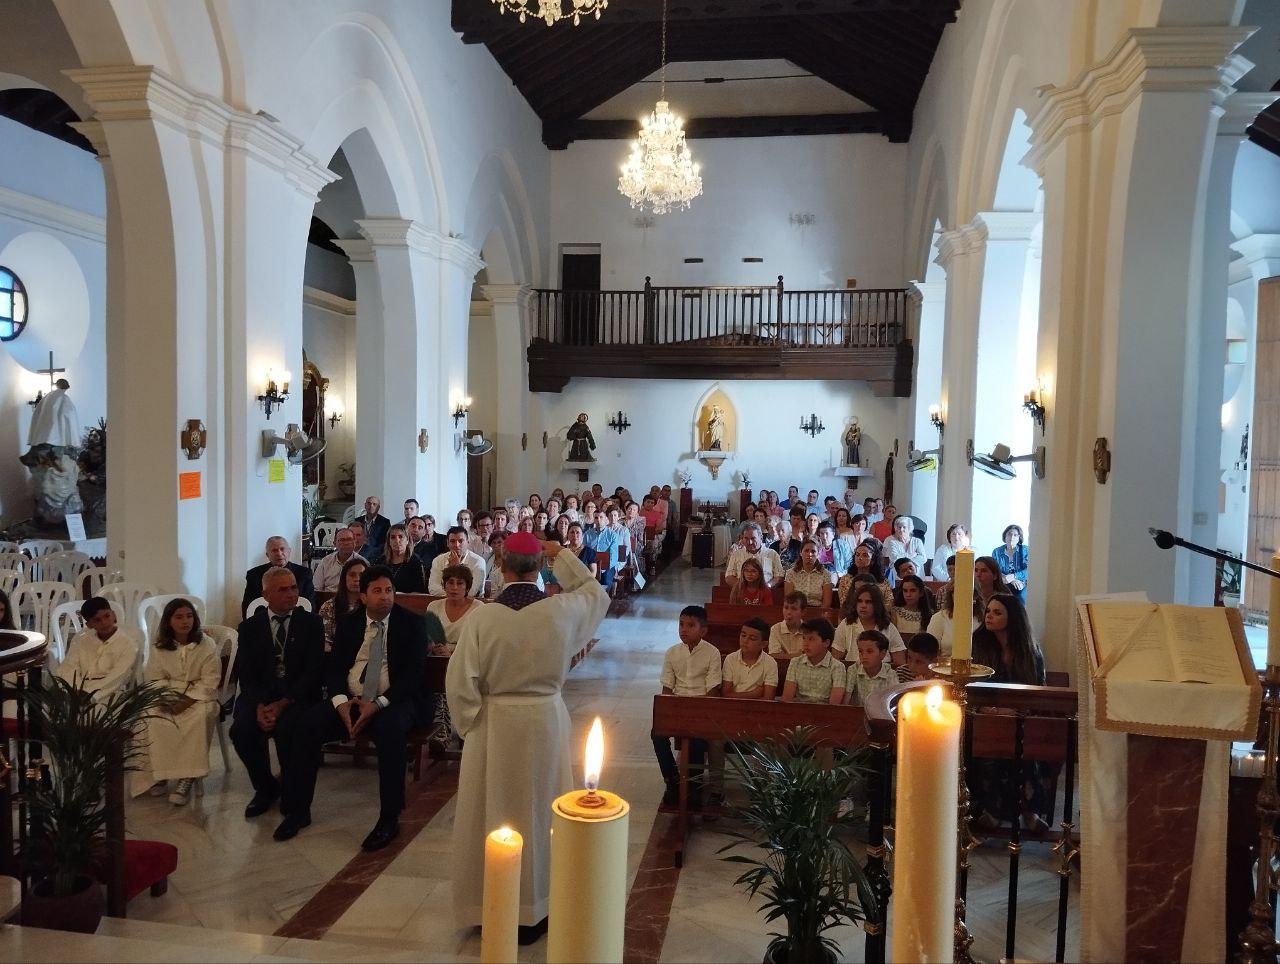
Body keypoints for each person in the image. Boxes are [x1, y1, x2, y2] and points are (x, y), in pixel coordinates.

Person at [447, 532, 610, 940]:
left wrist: (472, 726)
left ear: (500, 565)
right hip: (545, 718)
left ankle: (494, 905)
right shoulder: (562, 610)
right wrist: (563, 555)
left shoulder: (482, 616)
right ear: (540, 566)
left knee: (493, 809)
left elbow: (459, 681)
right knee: (543, 809)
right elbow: (596, 592)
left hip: (495, 723)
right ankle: (540, 905)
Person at [276, 566, 442, 850]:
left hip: (396, 701)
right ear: (363, 596)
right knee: (305, 725)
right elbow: (336, 669)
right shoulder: (350, 623)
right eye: (376, 591)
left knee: (390, 732)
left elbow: (413, 676)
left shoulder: (411, 623)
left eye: (388, 590)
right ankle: (298, 810)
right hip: (352, 701)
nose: (385, 597)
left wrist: (377, 704)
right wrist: (341, 703)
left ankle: (389, 818)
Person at [231, 566, 325, 819]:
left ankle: (293, 793)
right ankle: (266, 788)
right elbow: (246, 672)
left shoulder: (311, 623)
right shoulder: (250, 627)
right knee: (241, 730)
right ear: (266, 595)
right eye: (283, 589)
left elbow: (313, 671)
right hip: (260, 694)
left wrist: (284, 703)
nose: (291, 594)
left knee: (288, 730)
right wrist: (260, 705)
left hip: (297, 695)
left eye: (294, 587)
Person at [970, 593, 1048, 831]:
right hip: (987, 718)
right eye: (988, 612)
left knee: (1024, 753)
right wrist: (989, 709)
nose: (990, 616)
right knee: (990, 754)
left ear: (1012, 617)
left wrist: (1014, 710)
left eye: (997, 612)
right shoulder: (978, 643)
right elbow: (972, 684)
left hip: (1020, 718)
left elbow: (1038, 688)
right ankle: (992, 811)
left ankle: (1030, 811)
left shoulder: (1029, 650)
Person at [133, 598, 220, 805]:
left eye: (189, 616)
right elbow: (154, 678)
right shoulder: (159, 646)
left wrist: (187, 701)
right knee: (150, 718)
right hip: (168, 693)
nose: (185, 621)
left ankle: (187, 776)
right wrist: (165, 698)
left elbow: (210, 680)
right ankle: (160, 773)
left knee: (198, 716)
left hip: (199, 695)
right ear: (168, 621)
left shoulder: (206, 645)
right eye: (179, 617)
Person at [652, 605, 721, 809]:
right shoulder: (672, 653)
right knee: (657, 735)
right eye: (681, 624)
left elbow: (713, 689)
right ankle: (672, 779)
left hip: (701, 708)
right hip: (678, 707)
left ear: (703, 630)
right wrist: (667, 713)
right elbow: (667, 687)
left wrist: (700, 713)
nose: (684, 629)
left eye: (691, 625)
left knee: (697, 741)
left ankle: (694, 786)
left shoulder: (712, 653)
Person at [53, 596, 138, 702]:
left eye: (107, 616)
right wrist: (76, 689)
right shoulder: (80, 639)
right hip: (78, 690)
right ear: (89, 625)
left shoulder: (128, 643)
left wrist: (90, 694)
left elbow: (118, 676)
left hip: (110, 693)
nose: (104, 622)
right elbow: (69, 667)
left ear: (114, 615)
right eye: (97, 620)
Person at [242, 536, 315, 617]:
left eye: (282, 549)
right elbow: (248, 608)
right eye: (274, 550)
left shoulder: (304, 573)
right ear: (267, 555)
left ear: (289, 551)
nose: (279, 553)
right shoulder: (254, 575)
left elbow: (310, 605)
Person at [834, 585, 905, 665]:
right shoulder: (846, 624)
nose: (863, 606)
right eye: (860, 601)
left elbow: (900, 662)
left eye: (868, 602)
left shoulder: (888, 627)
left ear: (877, 605)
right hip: (852, 672)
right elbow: (836, 659)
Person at [780, 618, 845, 705]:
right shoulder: (795, 662)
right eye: (804, 638)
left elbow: (833, 706)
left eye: (811, 639)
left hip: (826, 715)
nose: (805, 643)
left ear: (826, 643)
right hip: (798, 713)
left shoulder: (837, 667)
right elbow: (787, 699)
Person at [427, 565, 484, 648]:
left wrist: (451, 652)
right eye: (450, 582)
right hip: (436, 656)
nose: (454, 587)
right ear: (444, 586)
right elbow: (428, 638)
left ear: (467, 587)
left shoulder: (478, 608)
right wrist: (435, 648)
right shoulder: (434, 606)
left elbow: (480, 642)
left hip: (465, 657)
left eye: (460, 583)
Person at [318, 557, 367, 650]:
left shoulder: (373, 605)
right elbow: (324, 640)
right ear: (344, 578)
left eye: (362, 575)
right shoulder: (329, 606)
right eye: (352, 575)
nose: (357, 579)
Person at [427, 527, 487, 598]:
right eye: (452, 541)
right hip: (444, 601)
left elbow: (472, 592)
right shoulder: (438, 560)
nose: (457, 545)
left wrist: (457, 568)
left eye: (461, 541)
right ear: (447, 543)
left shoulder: (478, 561)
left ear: (468, 542)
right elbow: (433, 588)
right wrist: (453, 595)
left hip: (472, 604)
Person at [724, 523, 783, 588]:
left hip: (765, 592)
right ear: (742, 538)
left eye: (753, 538)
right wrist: (745, 588)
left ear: (761, 537)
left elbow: (779, 576)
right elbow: (729, 577)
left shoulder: (772, 554)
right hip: (742, 592)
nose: (750, 542)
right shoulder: (736, 554)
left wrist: (768, 585)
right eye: (746, 538)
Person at [847, 629, 896, 707]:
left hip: (880, 716)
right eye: (860, 651)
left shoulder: (890, 674)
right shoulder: (853, 670)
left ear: (882, 654)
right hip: (856, 714)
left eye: (869, 651)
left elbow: (893, 703)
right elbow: (846, 699)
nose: (864, 656)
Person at [376, 524, 428, 594]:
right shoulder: (381, 561)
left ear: (407, 540)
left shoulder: (416, 562)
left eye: (400, 537)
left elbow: (419, 591)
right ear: (389, 542)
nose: (397, 540)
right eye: (393, 537)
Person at [313, 527, 365, 593]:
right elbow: (316, 588)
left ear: (354, 542)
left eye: (349, 539)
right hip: (328, 599)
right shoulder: (325, 562)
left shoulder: (362, 563)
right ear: (335, 543)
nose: (346, 543)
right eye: (342, 540)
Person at [784, 538, 833, 608]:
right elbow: (789, 600)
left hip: (818, 611)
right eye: (806, 551)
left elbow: (827, 603)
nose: (809, 554)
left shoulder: (825, 574)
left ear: (818, 554)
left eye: (813, 551)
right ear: (800, 553)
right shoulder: (791, 573)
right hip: (796, 610)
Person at [994, 524, 1029, 601]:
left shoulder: (1025, 550)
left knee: (1020, 594)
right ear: (1005, 536)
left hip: (1021, 583)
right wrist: (1011, 580)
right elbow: (994, 569)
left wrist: (1014, 576)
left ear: (1019, 538)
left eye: (1015, 535)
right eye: (1009, 534)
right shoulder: (997, 551)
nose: (1012, 537)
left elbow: (1030, 570)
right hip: (1003, 582)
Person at [769, 591, 807, 657]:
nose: (789, 612)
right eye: (786, 608)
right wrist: (798, 655)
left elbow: (808, 657)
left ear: (803, 612)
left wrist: (784, 655)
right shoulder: (775, 629)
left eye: (794, 609)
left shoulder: (808, 630)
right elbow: (774, 656)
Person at [358, 496, 391, 560]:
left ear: (378, 507)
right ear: (365, 505)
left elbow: (386, 542)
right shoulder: (357, 521)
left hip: (376, 555)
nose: (371, 506)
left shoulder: (385, 522)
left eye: (374, 504)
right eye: (369, 503)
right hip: (358, 552)